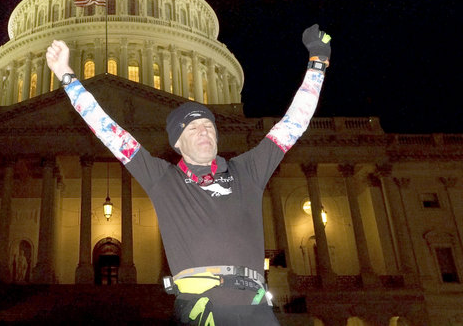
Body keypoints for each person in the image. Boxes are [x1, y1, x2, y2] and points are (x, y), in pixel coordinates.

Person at [45, 24, 331, 325]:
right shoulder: (163, 180)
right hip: (199, 307)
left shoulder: (248, 170)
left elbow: (293, 123)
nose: (204, 131)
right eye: (192, 128)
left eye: (208, 126)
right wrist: (67, 76)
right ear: (177, 142)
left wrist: (318, 62)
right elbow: (107, 130)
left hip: (254, 306)